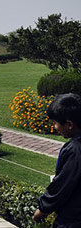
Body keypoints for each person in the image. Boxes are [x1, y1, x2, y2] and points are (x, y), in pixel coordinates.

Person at [34, 93, 81, 227]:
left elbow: (61, 185)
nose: (55, 127)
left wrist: (43, 209)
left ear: (70, 124)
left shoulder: (75, 150)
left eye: (55, 123)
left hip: (72, 220)